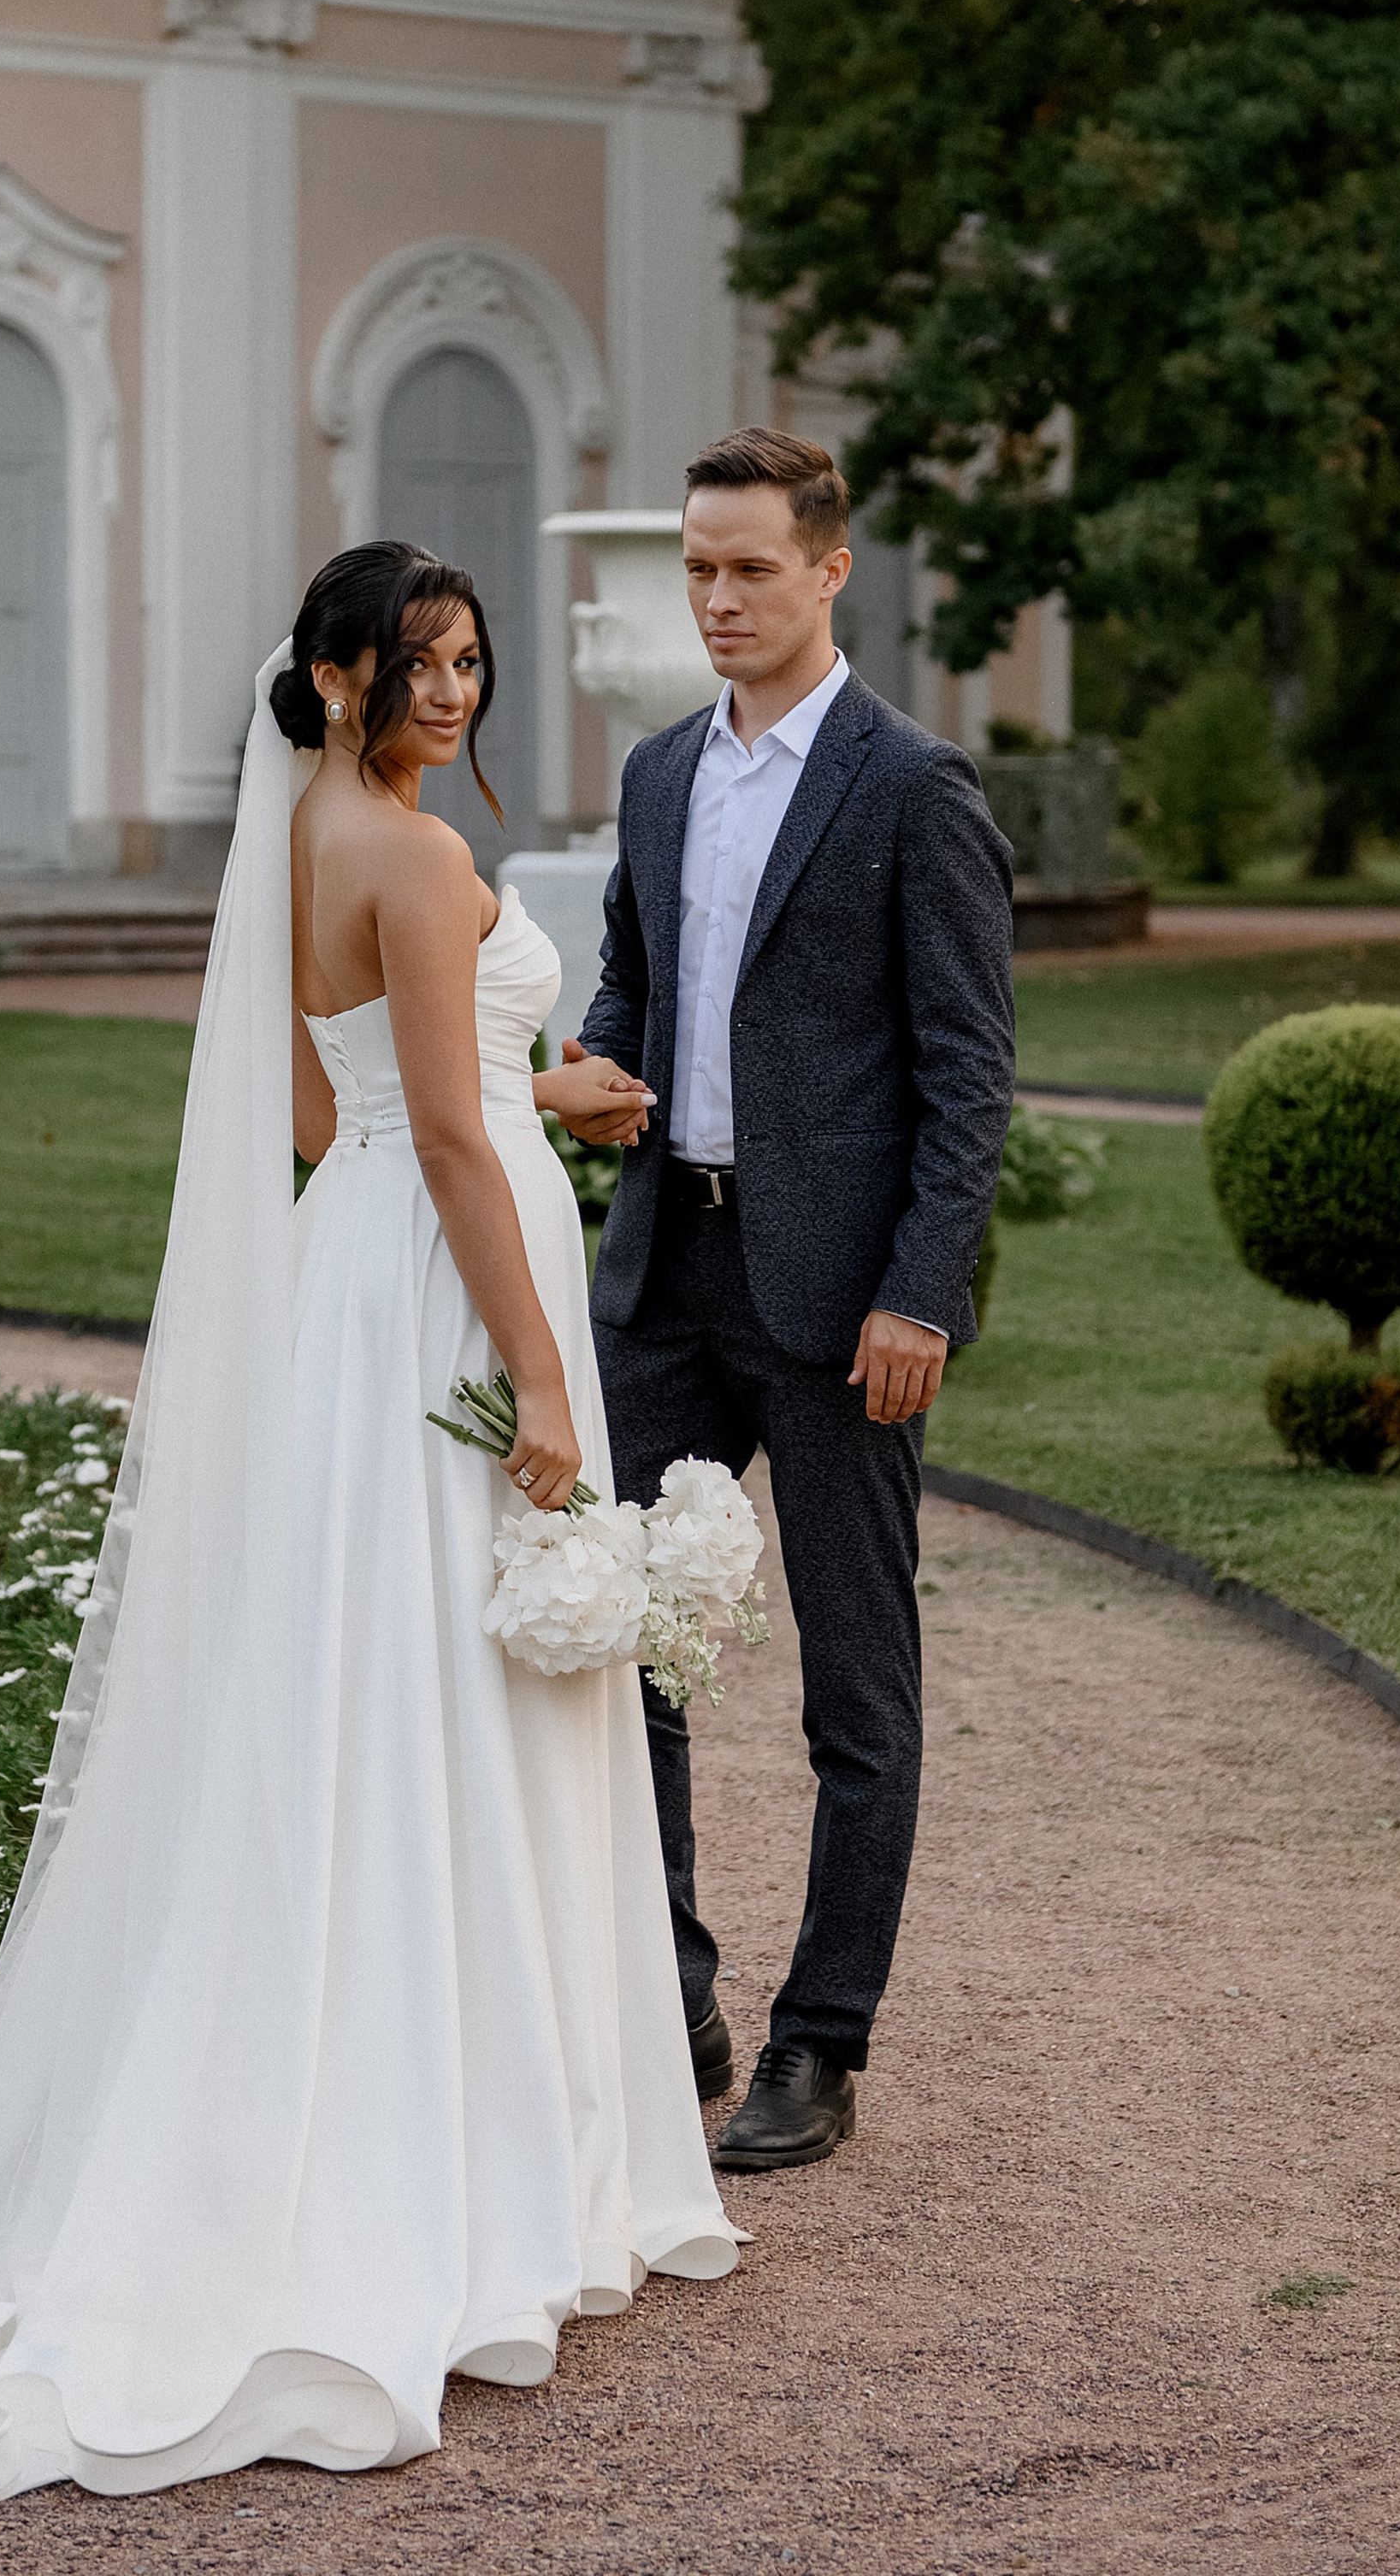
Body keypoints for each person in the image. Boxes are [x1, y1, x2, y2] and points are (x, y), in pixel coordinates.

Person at [0, 543, 735, 2507]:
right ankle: (473, 2144)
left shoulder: (306, 847)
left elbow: (329, 1104)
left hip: (358, 1269)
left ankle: (450, 2089)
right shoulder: (422, 863)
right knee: (458, 1658)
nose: (453, 692)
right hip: (448, 1277)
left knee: (370, 1661)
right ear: (338, 676)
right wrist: (534, 1367)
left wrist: (540, 1103)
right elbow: (440, 1130)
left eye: (467, 662)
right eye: (418, 665)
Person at [565, 429, 1016, 2173]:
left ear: (830, 571)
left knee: (856, 1689)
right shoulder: (658, 770)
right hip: (659, 1276)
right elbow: (630, 982)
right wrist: (586, 1072)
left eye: (748, 567)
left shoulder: (913, 787)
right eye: (696, 565)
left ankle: (817, 2042)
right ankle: (665, 1983)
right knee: (614, 1649)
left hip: (840, 1310)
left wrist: (921, 1294)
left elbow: (966, 1073)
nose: (715, 598)